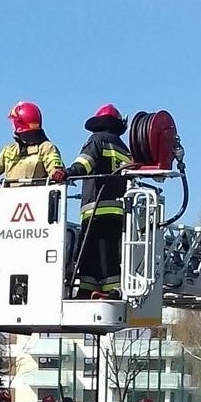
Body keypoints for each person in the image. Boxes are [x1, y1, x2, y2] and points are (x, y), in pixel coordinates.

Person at [65, 104, 132, 298]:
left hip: (95, 208)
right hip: (118, 212)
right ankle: (107, 288)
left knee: (90, 252)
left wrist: (68, 173)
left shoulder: (97, 140)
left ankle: (89, 289)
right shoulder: (123, 148)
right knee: (109, 252)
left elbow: (85, 162)